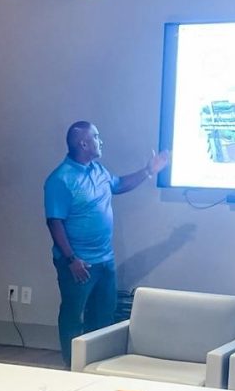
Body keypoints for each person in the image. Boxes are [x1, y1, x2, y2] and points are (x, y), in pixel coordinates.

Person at [44, 121, 170, 366]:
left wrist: (148, 171)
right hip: (78, 263)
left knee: (103, 314)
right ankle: (73, 366)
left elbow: (119, 184)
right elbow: (54, 222)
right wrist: (71, 259)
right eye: (96, 137)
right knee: (73, 315)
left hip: (105, 260)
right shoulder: (60, 179)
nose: (101, 141)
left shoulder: (98, 170)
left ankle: (96, 364)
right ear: (83, 143)